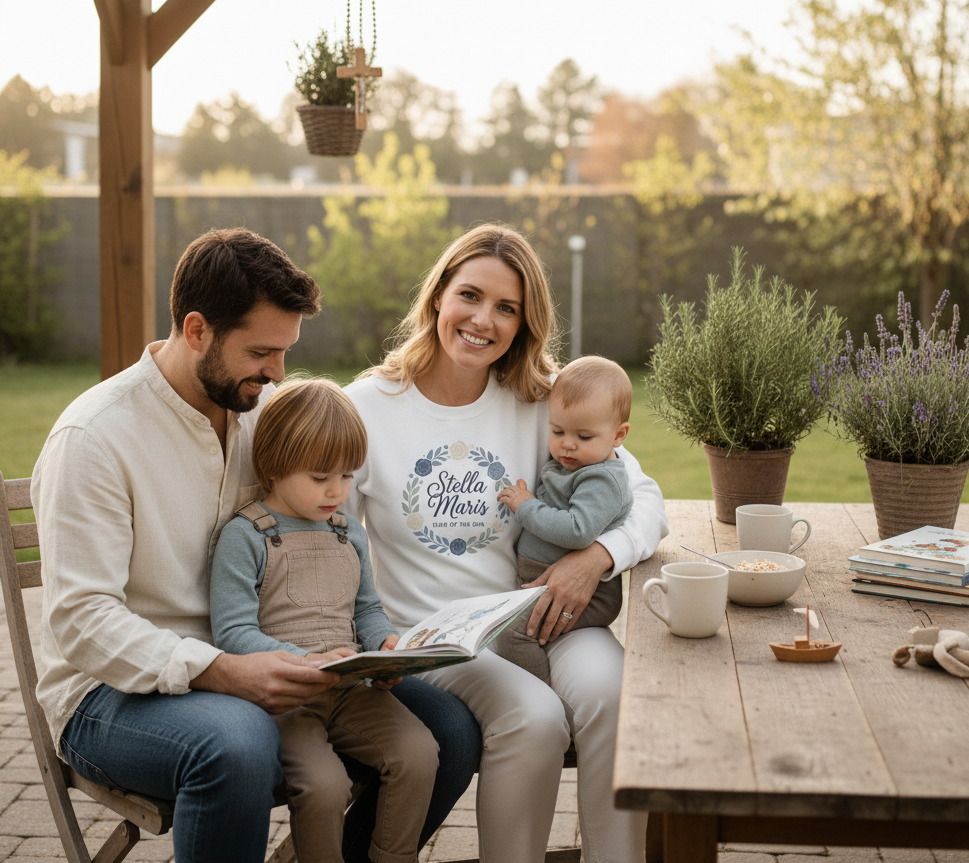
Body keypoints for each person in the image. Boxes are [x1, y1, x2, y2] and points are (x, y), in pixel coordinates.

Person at [31, 227, 479, 863]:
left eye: (286, 353)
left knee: (451, 727)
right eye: (263, 352)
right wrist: (222, 670)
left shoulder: (266, 418)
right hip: (113, 694)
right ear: (196, 330)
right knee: (236, 742)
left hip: (269, 664)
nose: (277, 373)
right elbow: (82, 622)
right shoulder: (95, 438)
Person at [343, 223, 669, 863]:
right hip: (430, 635)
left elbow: (649, 501)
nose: (482, 320)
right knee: (536, 717)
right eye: (469, 295)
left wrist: (595, 557)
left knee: (612, 694)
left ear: (524, 323)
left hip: (546, 619)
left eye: (506, 308)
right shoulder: (367, 409)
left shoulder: (544, 404)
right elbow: (330, 538)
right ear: (437, 297)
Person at [211, 377, 440, 863]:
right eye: (320, 478)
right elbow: (232, 633)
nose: (337, 491)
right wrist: (308, 661)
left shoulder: (347, 533)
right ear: (274, 465)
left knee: (419, 753)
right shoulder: (246, 536)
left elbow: (366, 610)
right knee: (324, 787)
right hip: (284, 702)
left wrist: (388, 646)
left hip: (351, 693)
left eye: (348, 476)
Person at [492, 355, 633, 684]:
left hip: (588, 595)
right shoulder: (574, 463)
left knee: (511, 633)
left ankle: (542, 692)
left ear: (619, 435)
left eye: (584, 437)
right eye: (557, 431)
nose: (567, 444)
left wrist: (526, 506)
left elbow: (577, 531)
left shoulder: (601, 479)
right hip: (543, 584)